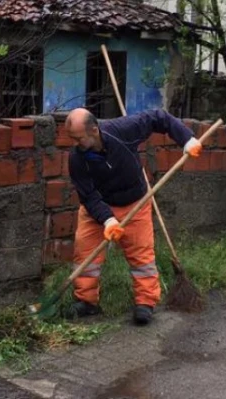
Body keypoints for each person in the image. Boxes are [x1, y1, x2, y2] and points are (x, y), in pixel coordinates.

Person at [64, 108, 202, 326]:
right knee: (85, 253)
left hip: (134, 204)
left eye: (79, 138)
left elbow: (159, 117)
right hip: (98, 208)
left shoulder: (122, 131)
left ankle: (145, 303)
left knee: (142, 255)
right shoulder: (76, 158)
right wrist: (107, 219)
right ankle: (86, 302)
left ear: (94, 129)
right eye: (72, 139)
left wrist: (187, 139)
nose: (76, 143)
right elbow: (88, 195)